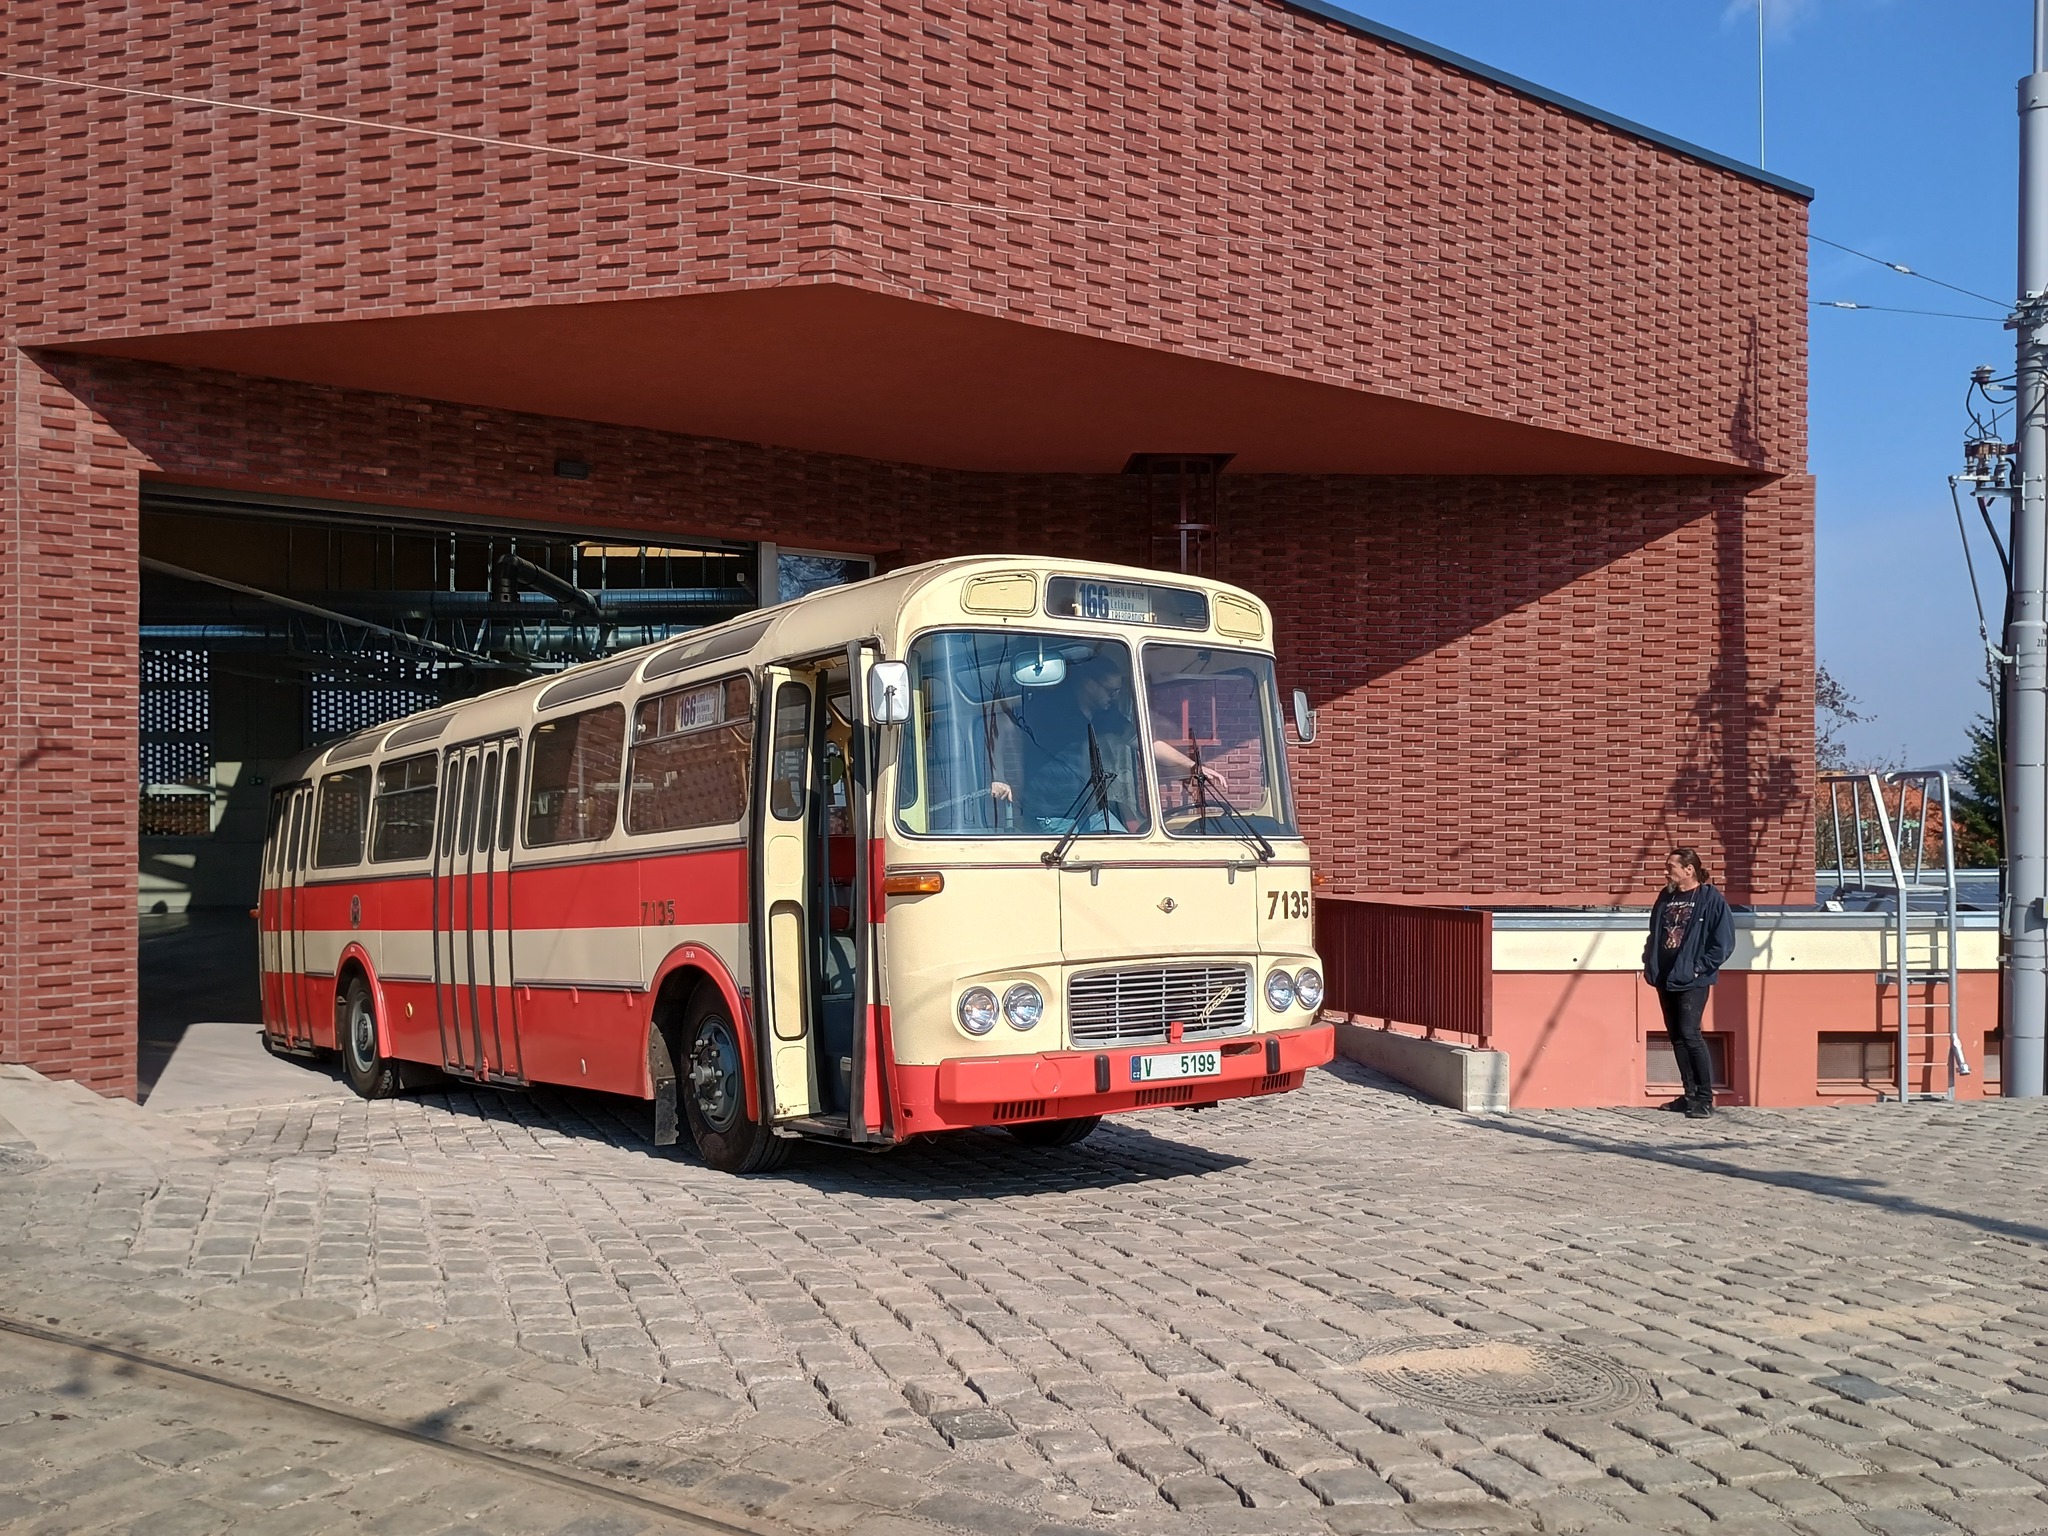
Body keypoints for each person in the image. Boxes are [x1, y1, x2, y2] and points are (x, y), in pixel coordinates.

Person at [1643, 847, 1734, 1119]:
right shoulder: (1666, 897)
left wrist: (1698, 968)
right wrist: (1649, 960)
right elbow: (1654, 933)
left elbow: (1723, 943)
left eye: (1670, 866)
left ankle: (1704, 1099)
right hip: (1665, 977)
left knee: (1690, 1034)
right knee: (1677, 1037)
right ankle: (1690, 1095)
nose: (1666, 871)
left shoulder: (1710, 899)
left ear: (1689, 869)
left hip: (1692, 979)